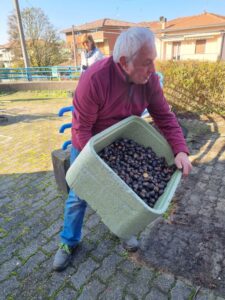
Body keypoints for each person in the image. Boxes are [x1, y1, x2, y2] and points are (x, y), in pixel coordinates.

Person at [53, 27, 192, 271]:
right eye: (147, 63)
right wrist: (97, 167)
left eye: (154, 61)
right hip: (89, 146)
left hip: (122, 143)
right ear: (125, 62)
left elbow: (165, 116)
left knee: (127, 195)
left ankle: (123, 229)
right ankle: (69, 241)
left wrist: (180, 149)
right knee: (78, 197)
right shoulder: (94, 79)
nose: (153, 69)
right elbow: (81, 130)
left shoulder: (149, 81)